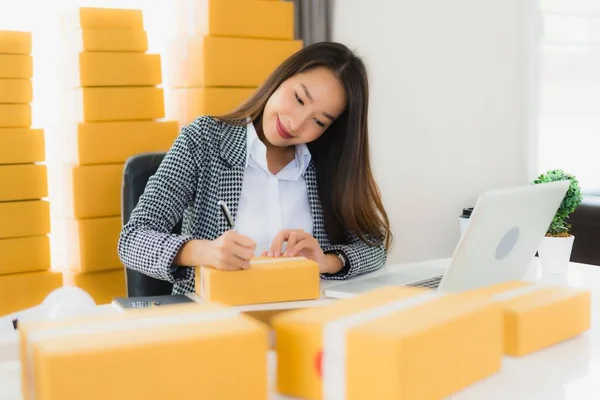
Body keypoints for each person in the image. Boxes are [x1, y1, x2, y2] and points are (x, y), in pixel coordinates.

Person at [118, 41, 392, 295]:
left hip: (302, 321)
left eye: (319, 121)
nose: (296, 124)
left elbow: (374, 248)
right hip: (218, 325)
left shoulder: (325, 164)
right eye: (298, 99)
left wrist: (325, 261)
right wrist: (201, 251)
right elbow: (132, 240)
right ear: (282, 77)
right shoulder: (204, 140)